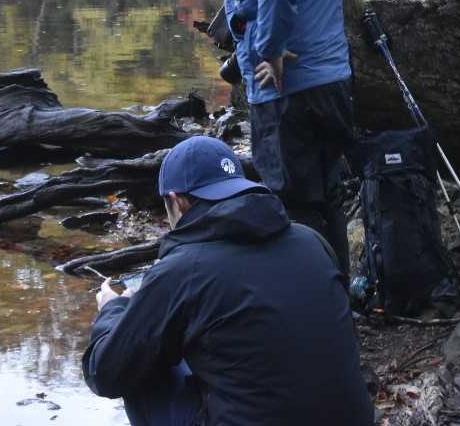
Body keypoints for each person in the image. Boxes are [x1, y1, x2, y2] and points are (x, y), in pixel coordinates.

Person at [82, 135, 374, 426]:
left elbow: (105, 375)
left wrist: (112, 310)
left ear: (177, 202)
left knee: (137, 368)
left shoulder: (182, 270)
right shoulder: (311, 240)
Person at [187, 0, 355, 275]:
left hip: (286, 92)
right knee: (328, 195)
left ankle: (306, 294)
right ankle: (336, 293)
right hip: (332, 82)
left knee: (292, 201)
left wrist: (269, 50)